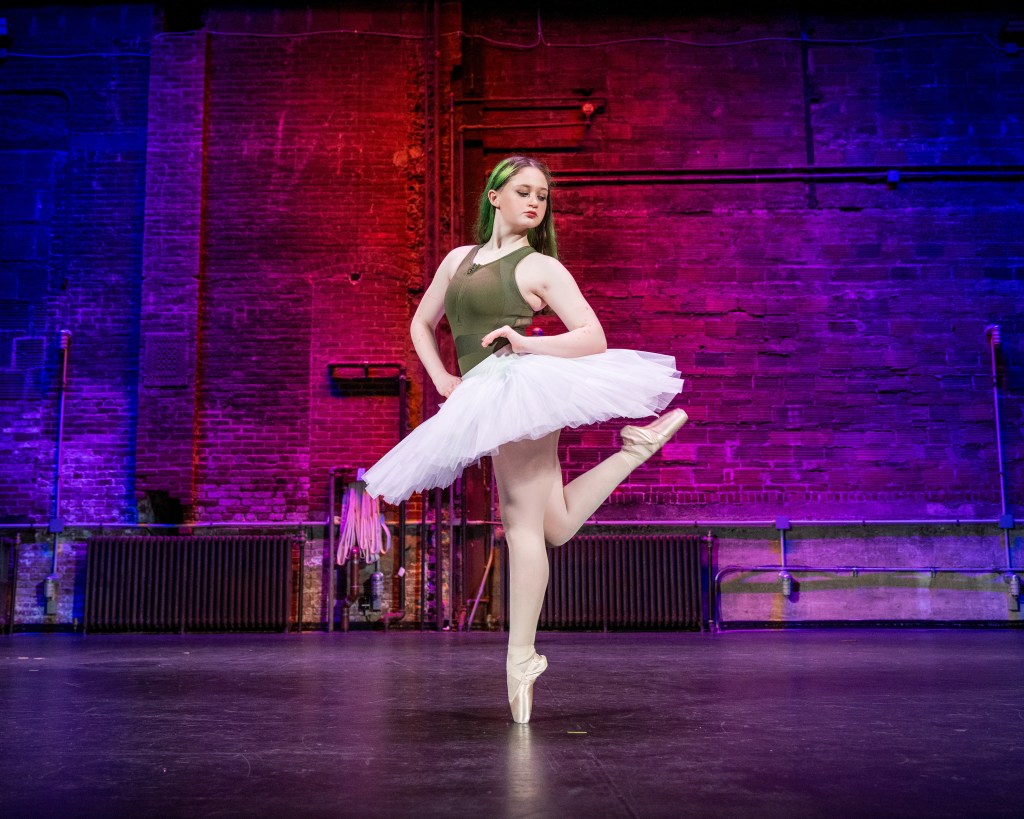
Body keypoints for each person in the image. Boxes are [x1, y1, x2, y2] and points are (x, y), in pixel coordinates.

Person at [362, 156, 687, 723]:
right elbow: (421, 323)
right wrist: (441, 378)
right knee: (552, 525)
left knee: (520, 526)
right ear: (494, 196)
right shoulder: (458, 260)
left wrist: (524, 341)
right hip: (479, 391)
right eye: (523, 191)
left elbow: (592, 336)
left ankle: (521, 658)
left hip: (517, 388)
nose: (535, 202)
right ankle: (635, 450)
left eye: (541, 195)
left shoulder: (540, 266)